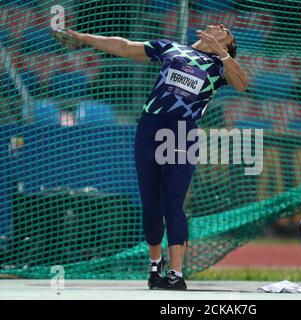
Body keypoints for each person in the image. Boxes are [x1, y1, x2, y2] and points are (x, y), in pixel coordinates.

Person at [65, 25, 248, 290]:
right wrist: (84, 39)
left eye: (228, 32)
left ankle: (176, 274)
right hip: (150, 127)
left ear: (228, 45)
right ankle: (155, 266)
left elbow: (243, 84)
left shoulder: (220, 64)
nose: (222, 27)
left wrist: (222, 53)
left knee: (173, 202)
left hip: (181, 132)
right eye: (220, 25)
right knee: (150, 204)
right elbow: (124, 46)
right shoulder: (170, 47)